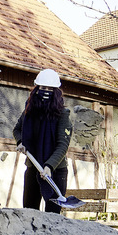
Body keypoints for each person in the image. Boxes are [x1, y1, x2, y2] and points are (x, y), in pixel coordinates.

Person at [13, 68, 73, 214]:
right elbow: (17, 129)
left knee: (52, 216)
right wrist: (20, 142)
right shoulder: (29, 111)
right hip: (33, 166)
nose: (46, 91)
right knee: (29, 212)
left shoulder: (62, 114)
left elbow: (62, 145)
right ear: (37, 88)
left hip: (55, 171)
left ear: (56, 91)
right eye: (43, 87)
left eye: (50, 88)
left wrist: (49, 166)